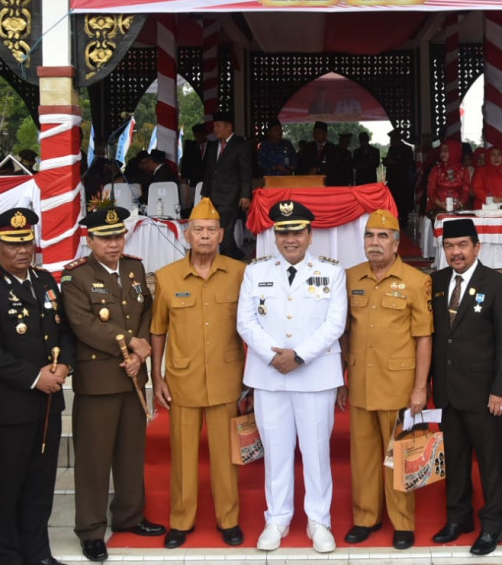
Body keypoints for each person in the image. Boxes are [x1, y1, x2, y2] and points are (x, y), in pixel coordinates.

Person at [236, 200, 347, 554]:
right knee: (276, 451)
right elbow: (245, 322)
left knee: (316, 451)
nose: (290, 239)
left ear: (310, 235)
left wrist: (299, 356)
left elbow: (335, 323)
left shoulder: (332, 272)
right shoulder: (256, 271)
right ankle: (277, 518)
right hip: (270, 375)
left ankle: (319, 520)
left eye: (297, 231)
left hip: (314, 375)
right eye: (283, 232)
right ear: (274, 235)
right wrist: (275, 356)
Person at [0, 208, 74, 565]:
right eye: (13, 245)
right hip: (7, 408)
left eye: (27, 242)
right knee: (6, 488)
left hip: (47, 405)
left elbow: (63, 332)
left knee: (40, 486)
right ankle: (10, 557)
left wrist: (64, 367)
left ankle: (38, 553)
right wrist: (34, 377)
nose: (23, 251)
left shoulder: (45, 281)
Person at [61, 206, 165, 561]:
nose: (113, 244)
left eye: (118, 236)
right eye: (105, 238)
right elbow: (83, 324)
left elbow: (147, 309)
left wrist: (141, 350)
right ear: (89, 240)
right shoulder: (75, 277)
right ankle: (90, 529)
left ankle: (129, 516)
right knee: (93, 460)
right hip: (98, 381)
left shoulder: (134, 269)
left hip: (134, 375)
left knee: (131, 453)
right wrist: (129, 341)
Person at [149, 198, 247, 549]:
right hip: (182, 378)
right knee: (182, 455)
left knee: (225, 456)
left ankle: (229, 519)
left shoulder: (239, 273)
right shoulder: (167, 277)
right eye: (198, 231)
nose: (204, 236)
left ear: (221, 234)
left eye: (211, 231)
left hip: (226, 377)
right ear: (187, 234)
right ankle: (181, 521)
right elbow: (158, 329)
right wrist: (156, 377)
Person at [337, 209, 432, 550]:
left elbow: (424, 337)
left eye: (382, 237)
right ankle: (366, 518)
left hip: (399, 387)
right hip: (361, 381)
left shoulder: (415, 280)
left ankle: (402, 523)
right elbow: (344, 332)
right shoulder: (350, 277)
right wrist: (342, 378)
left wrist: (421, 387)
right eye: (369, 237)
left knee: (399, 457)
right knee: (362, 457)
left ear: (396, 244)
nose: (374, 244)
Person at [430, 218, 502, 556]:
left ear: (477, 247)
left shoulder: (497, 284)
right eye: (450, 246)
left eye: (463, 245)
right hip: (449, 393)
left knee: (492, 463)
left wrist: (500, 389)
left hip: (485, 395)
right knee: (455, 461)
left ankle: (492, 524)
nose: (456, 252)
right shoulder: (436, 282)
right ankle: (458, 519)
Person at [202, 112, 252, 260]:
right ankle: (236, 254)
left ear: (228, 126)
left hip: (231, 196)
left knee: (225, 230)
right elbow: (209, 172)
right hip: (213, 196)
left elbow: (246, 172)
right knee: (216, 229)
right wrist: (205, 194)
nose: (215, 129)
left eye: (218, 126)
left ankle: (228, 259)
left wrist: (245, 195)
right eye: (214, 126)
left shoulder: (240, 144)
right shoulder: (212, 146)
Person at [426, 140, 471, 213]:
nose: (443, 154)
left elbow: (466, 190)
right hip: (438, 207)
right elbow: (431, 191)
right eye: (441, 151)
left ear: (454, 152)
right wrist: (440, 204)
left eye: (446, 151)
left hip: (458, 207)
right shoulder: (436, 170)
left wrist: (459, 203)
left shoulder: (463, 170)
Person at [384, 129, 416, 227]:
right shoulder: (391, 149)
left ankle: (404, 219)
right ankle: (394, 218)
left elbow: (409, 163)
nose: (391, 141)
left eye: (393, 139)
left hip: (403, 180)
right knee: (393, 200)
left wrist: (396, 163)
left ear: (398, 139)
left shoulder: (407, 149)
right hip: (392, 179)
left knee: (403, 200)